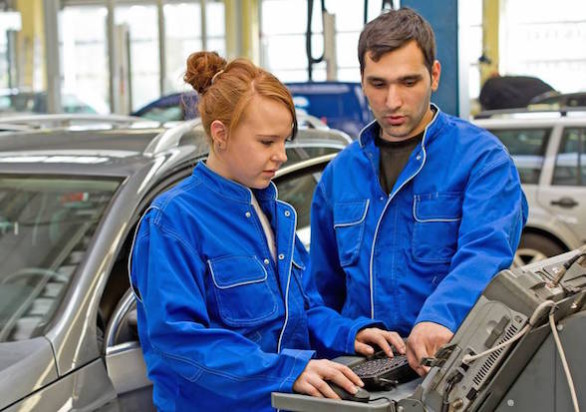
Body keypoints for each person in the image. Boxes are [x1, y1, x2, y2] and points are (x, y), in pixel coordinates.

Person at [130, 51, 405, 412]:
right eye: (266, 142)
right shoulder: (172, 222)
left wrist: (351, 334)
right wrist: (286, 372)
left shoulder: (277, 216)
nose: (281, 156)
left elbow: (305, 313)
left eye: (284, 142)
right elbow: (180, 343)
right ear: (220, 134)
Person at [308, 8, 528, 377]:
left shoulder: (482, 161)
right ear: (362, 81)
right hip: (363, 374)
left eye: (408, 82)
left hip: (452, 367)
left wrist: (440, 317)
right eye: (378, 84)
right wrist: (340, 340)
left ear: (435, 75)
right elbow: (321, 291)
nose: (393, 101)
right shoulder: (339, 175)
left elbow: (485, 253)